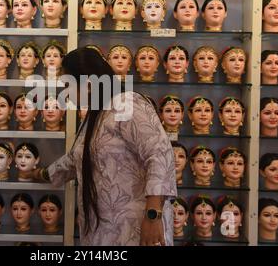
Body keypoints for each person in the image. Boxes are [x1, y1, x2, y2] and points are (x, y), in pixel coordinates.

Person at [33, 46, 177, 246]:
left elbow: (160, 154)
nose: (65, 92)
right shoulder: (96, 114)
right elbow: (77, 159)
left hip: (136, 228)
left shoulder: (127, 104)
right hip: (103, 231)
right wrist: (41, 174)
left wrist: (153, 216)